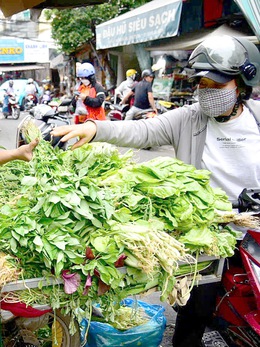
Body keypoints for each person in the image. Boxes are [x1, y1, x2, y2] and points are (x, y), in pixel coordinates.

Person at [50, 35, 260, 346]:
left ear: (242, 83)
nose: (206, 92)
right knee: (195, 310)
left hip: (253, 229)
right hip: (204, 233)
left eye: (216, 85)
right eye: (202, 84)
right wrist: (94, 129)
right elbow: (141, 130)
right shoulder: (189, 118)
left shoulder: (256, 118)